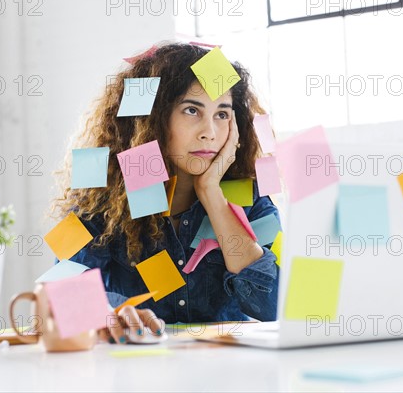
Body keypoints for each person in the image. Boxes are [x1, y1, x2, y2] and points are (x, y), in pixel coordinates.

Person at [50, 42, 280, 344]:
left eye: (222, 114)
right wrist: (108, 313)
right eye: (192, 110)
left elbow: (276, 306)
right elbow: (62, 290)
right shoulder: (100, 196)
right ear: (151, 118)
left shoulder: (250, 197)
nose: (209, 131)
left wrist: (212, 194)